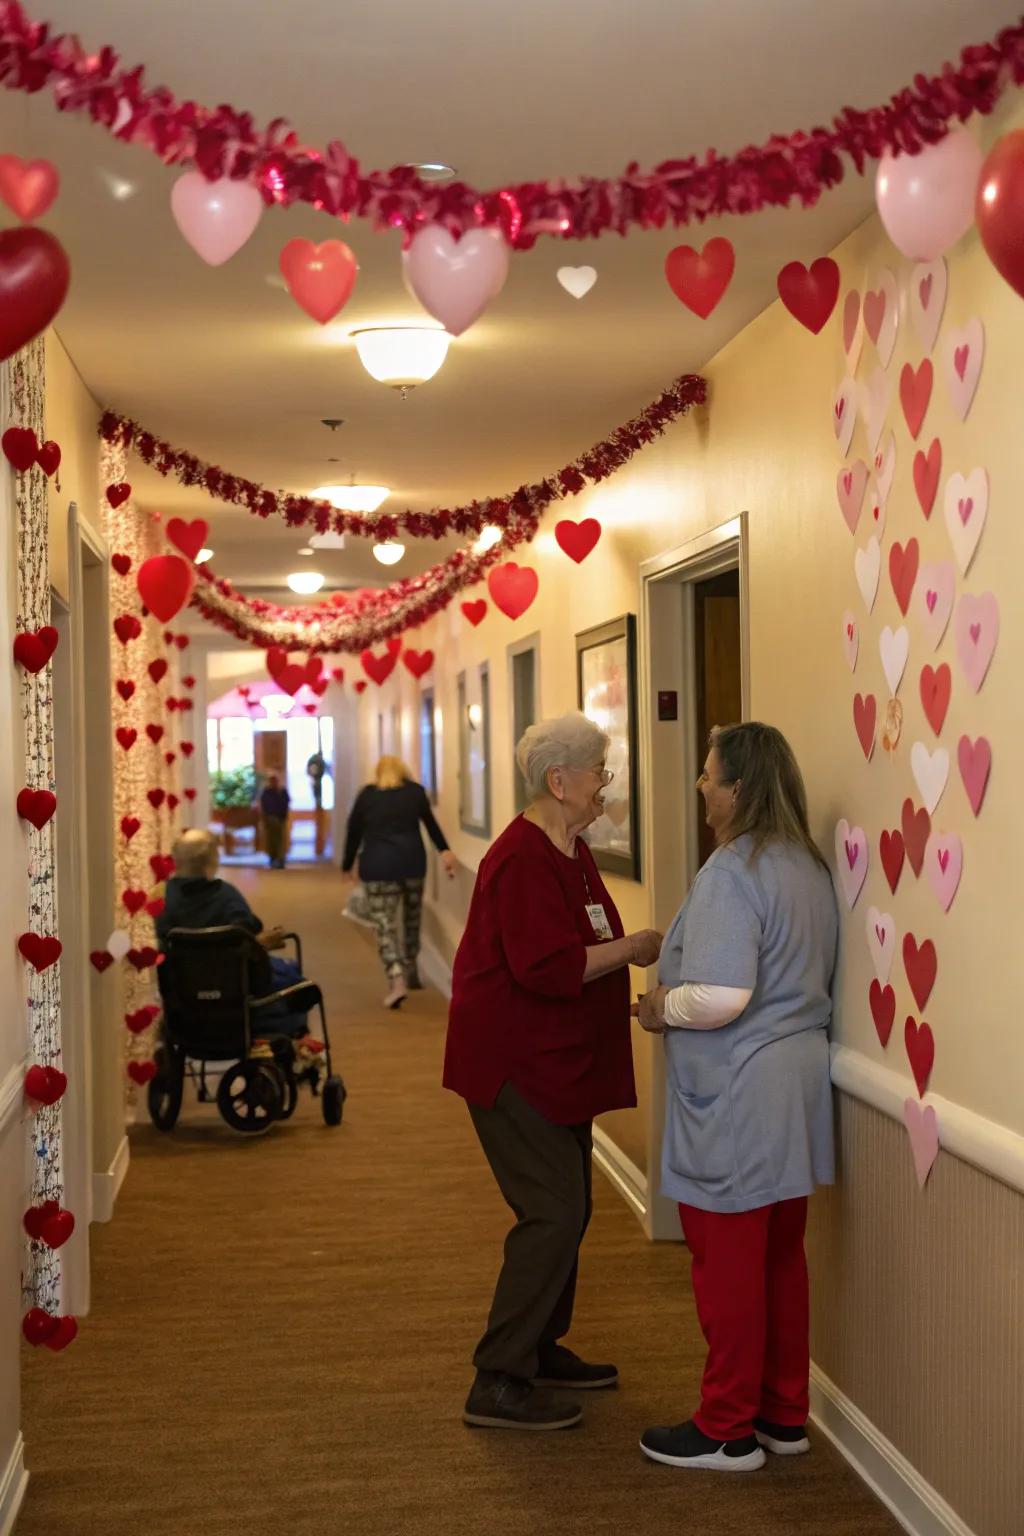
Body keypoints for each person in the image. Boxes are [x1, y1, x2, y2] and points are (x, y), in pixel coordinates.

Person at [443, 712, 662, 1432]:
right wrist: (635, 948)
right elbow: (547, 965)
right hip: (513, 1064)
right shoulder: (521, 858)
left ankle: (539, 1346)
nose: (606, 785)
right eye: (599, 772)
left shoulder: (571, 849)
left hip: (557, 1059)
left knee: (572, 1209)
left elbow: (579, 943)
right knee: (552, 1213)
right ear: (558, 781)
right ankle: (498, 1377)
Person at [633, 723, 838, 1474]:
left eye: (709, 775)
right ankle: (782, 1413)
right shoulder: (805, 864)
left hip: (739, 1092)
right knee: (780, 1257)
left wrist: (660, 1007)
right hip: (793, 1087)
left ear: (740, 788)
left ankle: (725, 1428)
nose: (701, 786)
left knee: (726, 1266)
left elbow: (721, 996)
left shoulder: (735, 869)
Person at [157, 828, 313, 1039]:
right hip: (235, 999)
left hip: (185, 1004)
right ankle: (295, 1038)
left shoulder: (163, 898)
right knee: (295, 980)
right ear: (211, 861)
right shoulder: (226, 896)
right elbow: (252, 927)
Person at [340, 756, 456, 1008]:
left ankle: (397, 979)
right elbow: (430, 824)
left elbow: (354, 831)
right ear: (403, 772)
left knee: (384, 925)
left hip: (378, 867)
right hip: (412, 864)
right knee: (412, 919)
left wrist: (347, 865)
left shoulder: (367, 796)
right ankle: (411, 967)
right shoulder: (415, 793)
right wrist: (444, 850)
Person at [260, 773, 290, 869]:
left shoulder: (282, 791)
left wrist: (283, 816)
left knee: (280, 840)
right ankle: (273, 858)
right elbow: (264, 806)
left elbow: (286, 804)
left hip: (280, 819)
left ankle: (280, 859)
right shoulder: (266, 792)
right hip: (270, 819)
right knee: (271, 840)